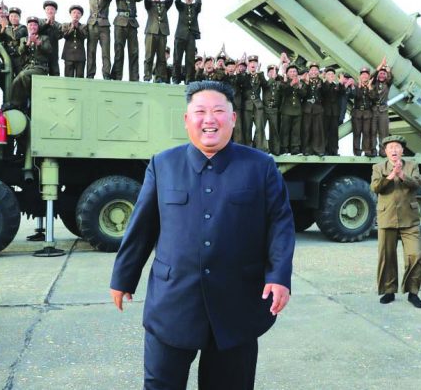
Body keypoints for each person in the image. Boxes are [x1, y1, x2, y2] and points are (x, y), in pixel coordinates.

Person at [110, 80, 295, 389]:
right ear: (187, 120)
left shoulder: (260, 167)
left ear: (233, 119)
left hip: (237, 302)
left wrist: (279, 276)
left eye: (219, 111)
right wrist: (123, 277)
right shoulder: (163, 164)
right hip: (172, 302)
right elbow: (142, 227)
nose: (210, 119)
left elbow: (280, 224)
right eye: (200, 111)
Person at [370, 135, 421, 308]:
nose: (394, 150)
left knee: (414, 255)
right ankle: (388, 290)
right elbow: (375, 187)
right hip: (387, 216)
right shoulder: (378, 167)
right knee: (387, 256)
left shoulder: (412, 165)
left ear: (402, 150)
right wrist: (391, 175)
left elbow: (417, 183)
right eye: (390, 147)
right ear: (385, 151)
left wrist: (401, 175)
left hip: (410, 217)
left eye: (397, 147)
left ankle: (413, 292)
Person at [7, 16, 52, 111]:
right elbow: (20, 52)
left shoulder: (44, 38)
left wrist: (39, 44)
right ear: (27, 26)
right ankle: (14, 103)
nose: (33, 27)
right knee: (15, 81)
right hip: (28, 67)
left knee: (23, 75)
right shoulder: (24, 39)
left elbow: (49, 51)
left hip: (40, 68)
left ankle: (28, 99)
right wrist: (27, 43)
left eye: (35, 25)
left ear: (38, 27)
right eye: (30, 25)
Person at [112, 0, 144, 81]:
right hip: (120, 22)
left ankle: (134, 78)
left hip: (132, 23)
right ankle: (116, 76)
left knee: (134, 51)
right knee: (119, 50)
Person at [85, 0, 116, 79]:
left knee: (106, 52)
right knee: (91, 51)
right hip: (92, 25)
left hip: (104, 26)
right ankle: (90, 74)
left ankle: (106, 74)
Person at [143, 0, 173, 83]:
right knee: (149, 56)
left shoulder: (165, 4)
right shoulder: (149, 4)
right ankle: (147, 76)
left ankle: (160, 77)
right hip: (151, 32)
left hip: (162, 33)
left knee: (161, 57)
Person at [173, 0, 202, 84]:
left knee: (190, 60)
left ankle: (188, 80)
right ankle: (176, 79)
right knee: (177, 59)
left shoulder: (195, 7)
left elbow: (199, 4)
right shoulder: (181, 6)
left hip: (191, 36)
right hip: (180, 35)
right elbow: (176, 0)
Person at [0, 4, 27, 76]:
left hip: (18, 56)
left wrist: (5, 26)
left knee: (19, 77)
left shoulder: (19, 27)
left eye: (3, 12)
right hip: (5, 53)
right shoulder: (0, 25)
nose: (1, 14)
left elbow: (15, 36)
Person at [243, 55, 267, 152]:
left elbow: (266, 85)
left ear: (257, 64)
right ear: (248, 65)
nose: (253, 64)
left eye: (255, 63)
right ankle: (248, 148)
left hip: (258, 105)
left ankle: (260, 147)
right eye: (251, 62)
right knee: (247, 127)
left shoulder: (260, 76)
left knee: (260, 127)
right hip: (247, 105)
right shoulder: (245, 76)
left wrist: (260, 74)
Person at [300, 62, 325, 156]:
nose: (314, 72)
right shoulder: (304, 81)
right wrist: (306, 83)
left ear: (318, 72)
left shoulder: (321, 82)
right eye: (312, 70)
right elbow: (302, 94)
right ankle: (306, 149)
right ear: (309, 72)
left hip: (318, 108)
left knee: (317, 130)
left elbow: (325, 94)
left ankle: (318, 149)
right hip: (307, 108)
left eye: (316, 70)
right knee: (306, 129)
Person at [279, 64, 303, 155]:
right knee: (285, 130)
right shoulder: (284, 82)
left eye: (294, 71)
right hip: (286, 110)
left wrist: (299, 86)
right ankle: (284, 149)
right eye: (291, 72)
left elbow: (304, 94)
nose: (293, 73)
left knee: (296, 131)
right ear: (287, 73)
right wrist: (291, 84)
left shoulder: (300, 82)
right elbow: (284, 92)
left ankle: (295, 149)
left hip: (297, 110)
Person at [370, 61, 392, 157]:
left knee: (384, 132)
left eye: (384, 74)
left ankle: (383, 151)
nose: (382, 75)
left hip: (383, 110)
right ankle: (373, 150)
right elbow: (372, 76)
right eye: (380, 73)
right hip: (374, 109)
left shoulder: (387, 84)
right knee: (373, 131)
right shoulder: (374, 83)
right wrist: (380, 66)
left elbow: (391, 78)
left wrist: (388, 71)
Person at [351, 67, 373, 156]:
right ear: (360, 77)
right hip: (357, 112)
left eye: (366, 75)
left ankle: (366, 150)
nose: (364, 76)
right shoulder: (356, 86)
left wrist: (370, 88)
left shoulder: (371, 86)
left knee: (366, 133)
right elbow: (355, 96)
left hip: (367, 113)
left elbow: (374, 98)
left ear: (369, 76)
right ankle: (357, 151)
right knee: (357, 133)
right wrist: (359, 87)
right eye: (362, 75)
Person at [61, 5, 88, 78]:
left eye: (78, 13)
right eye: (74, 12)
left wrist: (77, 28)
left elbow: (84, 36)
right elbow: (65, 36)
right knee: (68, 78)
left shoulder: (84, 26)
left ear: (81, 15)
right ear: (70, 14)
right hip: (68, 56)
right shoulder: (65, 25)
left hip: (80, 56)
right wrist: (72, 28)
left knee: (80, 78)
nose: (76, 15)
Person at [321, 67, 342, 156]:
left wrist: (341, 83)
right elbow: (323, 92)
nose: (331, 76)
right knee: (325, 132)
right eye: (329, 74)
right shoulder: (323, 85)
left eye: (332, 75)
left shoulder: (336, 86)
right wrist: (326, 81)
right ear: (325, 76)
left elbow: (342, 92)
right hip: (325, 112)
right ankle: (325, 150)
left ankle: (334, 151)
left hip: (335, 113)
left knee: (334, 133)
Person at [263, 64, 282, 155]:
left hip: (274, 109)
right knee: (260, 129)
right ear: (267, 74)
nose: (273, 73)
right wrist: (272, 78)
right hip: (264, 108)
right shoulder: (265, 82)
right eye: (270, 72)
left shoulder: (279, 83)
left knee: (274, 130)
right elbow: (266, 85)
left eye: (274, 72)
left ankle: (275, 150)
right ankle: (260, 148)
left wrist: (281, 63)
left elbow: (282, 84)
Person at [40, 0, 62, 76]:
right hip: (41, 54)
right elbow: (38, 32)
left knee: (55, 74)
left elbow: (59, 36)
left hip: (54, 55)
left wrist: (52, 25)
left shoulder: (58, 25)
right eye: (48, 9)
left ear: (55, 11)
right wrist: (46, 24)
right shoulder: (40, 22)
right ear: (45, 11)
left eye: (52, 9)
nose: (50, 11)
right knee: (41, 75)